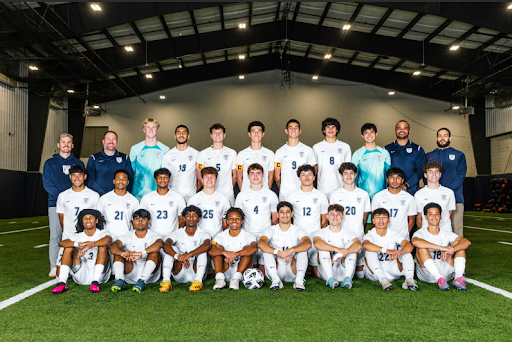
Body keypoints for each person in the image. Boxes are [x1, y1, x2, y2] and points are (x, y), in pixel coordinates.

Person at [42, 133, 84, 277]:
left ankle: (76, 264)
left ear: (72, 145)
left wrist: (73, 199)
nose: (66, 144)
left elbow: (82, 183)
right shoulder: (49, 163)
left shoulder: (78, 163)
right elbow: (48, 185)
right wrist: (63, 198)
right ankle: (54, 266)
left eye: (69, 142)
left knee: (77, 235)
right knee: (55, 235)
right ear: (58, 145)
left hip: (76, 205)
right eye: (63, 142)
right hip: (55, 204)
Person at [412, 203, 471, 290]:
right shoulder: (421, 233)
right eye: (430, 214)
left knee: (459, 246)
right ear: (425, 217)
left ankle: (458, 278)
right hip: (427, 274)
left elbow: (466, 242)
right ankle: (439, 278)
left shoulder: (446, 233)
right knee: (421, 247)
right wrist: (442, 248)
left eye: (437, 214)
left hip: (446, 271)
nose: (434, 217)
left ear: (441, 216)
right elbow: (415, 241)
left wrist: (452, 249)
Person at [51, 209, 112, 294]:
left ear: (96, 220)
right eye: (85, 218)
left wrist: (87, 246)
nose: (88, 220)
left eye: (91, 217)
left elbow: (108, 240)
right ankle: (62, 282)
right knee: (68, 247)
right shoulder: (77, 236)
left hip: (100, 275)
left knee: (103, 246)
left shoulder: (102, 233)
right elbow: (61, 243)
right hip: (81, 272)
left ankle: (95, 282)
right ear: (82, 221)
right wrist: (78, 244)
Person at [55, 165, 100, 274]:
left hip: (87, 238)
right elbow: (62, 219)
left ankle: (76, 266)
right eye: (74, 175)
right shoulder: (63, 196)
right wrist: (70, 233)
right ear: (70, 177)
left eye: (79, 175)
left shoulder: (94, 196)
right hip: (69, 237)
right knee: (59, 273)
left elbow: (97, 219)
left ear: (85, 176)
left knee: (89, 272)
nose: (77, 178)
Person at [329, 162, 371, 278]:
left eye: (351, 173)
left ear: (355, 175)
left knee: (360, 275)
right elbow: (333, 217)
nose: (348, 176)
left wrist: (357, 229)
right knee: (340, 272)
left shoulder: (363, 194)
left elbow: (364, 216)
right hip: (341, 236)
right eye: (345, 173)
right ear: (341, 176)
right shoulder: (335, 195)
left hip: (358, 235)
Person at [258, 202, 312, 291]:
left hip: (292, 269)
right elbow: (261, 243)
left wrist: (290, 250)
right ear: (278, 215)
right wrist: (278, 252)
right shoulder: (271, 229)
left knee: (303, 250)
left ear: (292, 214)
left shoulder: (297, 229)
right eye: (282, 212)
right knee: (266, 250)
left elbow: (308, 243)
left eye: (287, 212)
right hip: (276, 270)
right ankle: (276, 280)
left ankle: (299, 280)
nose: (285, 215)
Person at [234, 163, 278, 271]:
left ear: (263, 175)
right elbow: (237, 218)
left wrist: (270, 235)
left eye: (258, 173)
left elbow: (275, 219)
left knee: (265, 271)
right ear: (247, 176)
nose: (255, 176)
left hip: (265, 235)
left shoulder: (271, 194)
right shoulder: (242, 195)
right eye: (252, 173)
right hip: (248, 235)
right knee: (249, 268)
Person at [286, 164, 328, 273]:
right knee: (296, 270)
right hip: (298, 235)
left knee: (318, 273)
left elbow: (324, 219)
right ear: (299, 178)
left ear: (314, 177)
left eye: (310, 174)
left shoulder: (321, 196)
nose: (307, 177)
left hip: (315, 234)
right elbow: (288, 218)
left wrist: (319, 235)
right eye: (303, 175)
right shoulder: (292, 196)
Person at [363, 208, 417, 291]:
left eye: (384, 217)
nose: (381, 220)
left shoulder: (392, 234)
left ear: (388, 220)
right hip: (375, 274)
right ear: (373, 221)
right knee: (370, 252)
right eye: (377, 217)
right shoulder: (371, 234)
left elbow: (409, 245)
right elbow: (366, 244)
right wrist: (387, 251)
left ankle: (409, 279)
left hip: (392, 271)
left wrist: (399, 253)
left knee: (407, 253)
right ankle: (383, 280)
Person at [110, 209, 163, 293]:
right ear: (133, 222)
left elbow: (159, 244)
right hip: (131, 272)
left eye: (143, 219)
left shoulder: (153, 235)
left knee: (155, 252)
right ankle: (120, 280)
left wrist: (141, 253)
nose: (140, 222)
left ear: (148, 221)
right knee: (119, 251)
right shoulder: (128, 235)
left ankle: (142, 280)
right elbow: (113, 246)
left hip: (150, 275)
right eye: (137, 219)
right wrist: (122, 253)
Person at [426, 128, 467, 237]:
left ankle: (457, 254)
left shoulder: (459, 155)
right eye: (440, 136)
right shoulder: (429, 156)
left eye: (445, 135)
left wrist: (446, 192)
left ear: (450, 138)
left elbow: (460, 176)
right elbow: (425, 176)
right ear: (436, 138)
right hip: (433, 199)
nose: (442, 138)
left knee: (456, 231)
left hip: (455, 198)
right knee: (433, 230)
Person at [160, 205, 211, 292]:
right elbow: (166, 244)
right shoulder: (178, 232)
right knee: (172, 249)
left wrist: (189, 255)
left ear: (199, 219)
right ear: (184, 218)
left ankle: (198, 281)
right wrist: (178, 257)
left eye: (194, 215)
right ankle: (166, 281)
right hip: (180, 270)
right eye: (188, 215)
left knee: (203, 251)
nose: (191, 218)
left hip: (196, 271)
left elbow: (207, 245)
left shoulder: (203, 233)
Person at [314, 204, 362, 289]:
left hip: (344, 270)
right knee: (323, 247)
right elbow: (317, 243)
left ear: (343, 216)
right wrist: (338, 250)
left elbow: (358, 245)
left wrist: (340, 254)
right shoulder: (321, 232)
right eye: (332, 214)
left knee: (350, 245)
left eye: (338, 214)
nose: (335, 216)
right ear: (327, 216)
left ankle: (347, 278)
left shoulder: (348, 232)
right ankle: (330, 279)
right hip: (327, 271)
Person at [209, 208, 258, 290]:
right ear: (227, 221)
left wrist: (235, 254)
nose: (234, 221)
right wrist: (224, 252)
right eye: (231, 218)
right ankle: (219, 279)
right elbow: (211, 250)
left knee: (247, 249)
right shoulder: (221, 236)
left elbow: (254, 248)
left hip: (241, 272)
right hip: (225, 268)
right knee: (218, 249)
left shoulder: (248, 235)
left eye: (237, 218)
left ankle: (235, 279)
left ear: (242, 221)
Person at [274, 119, 317, 201]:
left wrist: (308, 186)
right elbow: (276, 175)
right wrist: (281, 186)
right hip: (285, 193)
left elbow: (314, 170)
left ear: (300, 131)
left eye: (296, 128)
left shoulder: (308, 150)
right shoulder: (279, 152)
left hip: (304, 192)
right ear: (286, 131)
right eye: (291, 128)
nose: (293, 130)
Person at [129, 118, 170, 201]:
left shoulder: (165, 149)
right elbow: (131, 171)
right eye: (148, 127)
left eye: (153, 127)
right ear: (144, 130)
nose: (151, 130)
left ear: (157, 130)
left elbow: (167, 173)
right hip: (138, 194)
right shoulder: (135, 149)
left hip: (158, 193)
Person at [140, 168, 186, 240]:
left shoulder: (178, 197)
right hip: (152, 238)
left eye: (165, 177)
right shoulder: (146, 198)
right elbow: (141, 219)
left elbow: (182, 219)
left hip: (171, 238)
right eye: (160, 177)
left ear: (169, 179)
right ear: (155, 180)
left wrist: (175, 234)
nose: (162, 180)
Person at [371, 167, 417, 240]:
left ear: (402, 180)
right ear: (387, 180)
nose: (395, 180)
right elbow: (373, 219)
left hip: (402, 239)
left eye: (398, 178)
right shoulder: (378, 197)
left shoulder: (409, 198)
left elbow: (411, 221)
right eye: (392, 177)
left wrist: (403, 236)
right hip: (383, 239)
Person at [197, 123, 237, 205]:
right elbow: (199, 175)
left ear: (224, 135)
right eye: (215, 132)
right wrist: (209, 189)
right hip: (209, 194)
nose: (217, 135)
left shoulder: (232, 153)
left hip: (227, 194)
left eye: (220, 132)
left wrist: (227, 188)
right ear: (211, 136)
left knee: (229, 217)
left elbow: (235, 176)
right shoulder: (203, 153)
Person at [97, 169, 140, 243]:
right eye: (118, 179)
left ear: (128, 182)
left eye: (124, 179)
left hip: (126, 239)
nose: (121, 181)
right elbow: (98, 219)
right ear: (114, 181)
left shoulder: (133, 200)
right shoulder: (104, 198)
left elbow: (136, 222)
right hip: (107, 238)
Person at [313, 118, 352, 199]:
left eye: (333, 127)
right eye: (328, 127)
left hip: (340, 188)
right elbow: (314, 170)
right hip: (322, 189)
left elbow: (348, 169)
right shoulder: (316, 147)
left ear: (337, 129)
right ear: (323, 130)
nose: (330, 129)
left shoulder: (345, 147)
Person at [385, 121, 426, 195]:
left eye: (405, 128)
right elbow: (383, 171)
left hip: (411, 190)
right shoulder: (386, 149)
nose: (402, 130)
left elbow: (421, 170)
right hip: (391, 190)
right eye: (399, 128)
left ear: (409, 131)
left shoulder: (418, 149)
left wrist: (407, 185)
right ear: (395, 131)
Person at [187, 167, 230, 239]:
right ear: (202, 179)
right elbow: (189, 221)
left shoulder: (223, 199)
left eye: (212, 177)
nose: (209, 179)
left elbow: (225, 223)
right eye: (206, 176)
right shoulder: (194, 199)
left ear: (216, 180)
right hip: (198, 238)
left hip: (217, 238)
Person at [86, 131, 134, 196]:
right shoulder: (94, 158)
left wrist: (121, 194)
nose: (111, 142)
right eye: (108, 139)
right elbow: (90, 179)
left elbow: (130, 178)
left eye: (113, 139)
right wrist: (103, 195)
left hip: (119, 197)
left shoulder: (125, 158)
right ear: (103, 141)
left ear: (117, 142)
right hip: (99, 198)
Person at [352, 123, 391, 200]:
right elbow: (354, 176)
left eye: (371, 132)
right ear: (362, 136)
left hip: (381, 194)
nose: (369, 135)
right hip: (363, 195)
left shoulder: (384, 153)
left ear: (376, 134)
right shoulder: (357, 154)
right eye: (366, 132)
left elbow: (388, 175)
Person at [414, 162, 456, 233]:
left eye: (436, 171)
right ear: (425, 175)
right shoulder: (419, 194)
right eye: (430, 171)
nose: (434, 174)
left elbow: (449, 215)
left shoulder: (449, 193)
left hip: (445, 233)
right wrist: (426, 232)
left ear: (440, 174)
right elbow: (419, 218)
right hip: (427, 234)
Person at [162, 125, 199, 202]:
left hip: (191, 197)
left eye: (184, 132)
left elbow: (202, 176)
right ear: (175, 136)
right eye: (178, 133)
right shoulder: (167, 156)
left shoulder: (197, 154)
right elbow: (164, 177)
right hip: (173, 197)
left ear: (188, 136)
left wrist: (195, 192)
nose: (181, 135)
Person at [235, 121, 275, 192]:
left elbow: (271, 177)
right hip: (246, 193)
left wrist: (267, 191)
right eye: (253, 131)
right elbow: (238, 177)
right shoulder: (241, 154)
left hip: (264, 194)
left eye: (259, 131)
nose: (256, 134)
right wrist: (244, 192)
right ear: (249, 134)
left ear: (263, 134)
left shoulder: (270, 154)